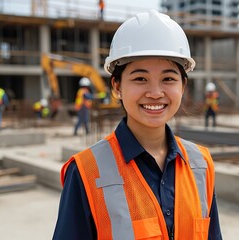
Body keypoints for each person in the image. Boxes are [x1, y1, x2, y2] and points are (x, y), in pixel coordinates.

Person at [53, 10, 222, 240]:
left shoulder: (201, 164)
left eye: (168, 79)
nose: (155, 93)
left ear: (183, 86)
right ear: (117, 86)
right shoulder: (86, 171)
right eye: (140, 78)